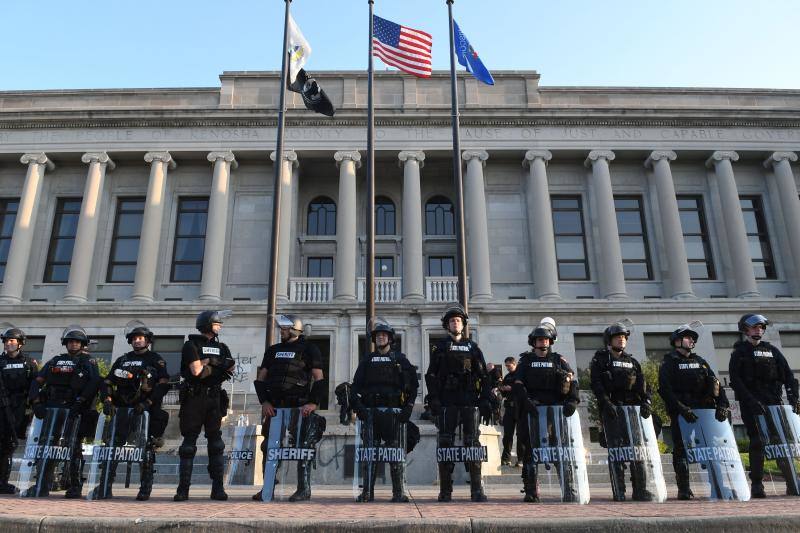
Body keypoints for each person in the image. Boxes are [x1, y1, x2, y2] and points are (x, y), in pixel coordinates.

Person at [253, 314, 326, 502]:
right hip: (275, 408)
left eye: (285, 328)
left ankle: (304, 489)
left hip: (299, 408)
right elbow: (261, 378)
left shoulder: (309, 349)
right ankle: (267, 488)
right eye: (281, 328)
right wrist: (265, 402)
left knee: (303, 447)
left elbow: (319, 378)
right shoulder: (273, 350)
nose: (281, 331)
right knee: (269, 447)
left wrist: (313, 403)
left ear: (295, 329)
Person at [425, 304, 492, 502]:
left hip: (469, 400)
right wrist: (434, 398)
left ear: (463, 325)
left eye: (458, 320)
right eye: (452, 320)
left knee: (472, 443)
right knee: (445, 442)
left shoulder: (473, 347)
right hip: (447, 401)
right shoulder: (440, 347)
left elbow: (484, 375)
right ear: (447, 325)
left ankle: (476, 490)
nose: (455, 323)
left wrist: (485, 399)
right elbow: (431, 375)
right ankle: (445, 490)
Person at [97, 322, 170, 500]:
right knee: (112, 446)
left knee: (145, 448)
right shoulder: (123, 360)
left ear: (148, 341)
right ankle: (105, 485)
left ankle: (145, 487)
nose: (137, 341)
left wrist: (148, 403)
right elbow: (107, 382)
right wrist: (107, 400)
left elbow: (163, 384)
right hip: (122, 409)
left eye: (141, 338)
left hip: (145, 410)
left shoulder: (155, 359)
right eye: (135, 338)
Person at [729, 313, 800, 498]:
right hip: (752, 406)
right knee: (758, 442)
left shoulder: (772, 350)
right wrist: (751, 401)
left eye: (761, 327)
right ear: (745, 330)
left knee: (782, 442)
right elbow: (736, 381)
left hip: (775, 404)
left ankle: (792, 482)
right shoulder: (739, 353)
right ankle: (757, 484)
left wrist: (794, 398)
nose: (758, 330)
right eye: (754, 327)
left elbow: (788, 376)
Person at [658, 323, 730, 500]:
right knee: (681, 449)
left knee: (710, 448)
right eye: (688, 337)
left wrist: (722, 405)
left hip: (704, 413)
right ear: (677, 341)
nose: (691, 340)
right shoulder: (668, 363)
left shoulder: (700, 362)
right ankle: (684, 488)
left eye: (692, 338)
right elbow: (665, 390)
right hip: (682, 414)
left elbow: (716, 384)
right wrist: (681, 409)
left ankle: (717, 485)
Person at [28, 326, 101, 498]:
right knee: (46, 446)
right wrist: (36, 402)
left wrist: (81, 402)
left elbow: (94, 383)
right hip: (52, 410)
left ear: (82, 344)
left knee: (73, 447)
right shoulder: (56, 360)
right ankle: (42, 484)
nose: (73, 344)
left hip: (75, 410)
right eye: (70, 342)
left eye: (77, 342)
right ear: (65, 343)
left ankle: (74, 485)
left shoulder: (88, 362)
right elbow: (37, 381)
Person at [350, 319, 418, 502]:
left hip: (394, 413)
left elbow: (413, 386)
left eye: (384, 335)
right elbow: (355, 387)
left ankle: (399, 492)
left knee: (395, 452)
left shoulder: (400, 360)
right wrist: (359, 408)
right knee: (370, 452)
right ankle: (367, 492)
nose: (380, 337)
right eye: (378, 335)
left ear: (390, 338)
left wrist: (409, 407)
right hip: (371, 413)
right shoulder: (367, 360)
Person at [514, 318, 579, 502]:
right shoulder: (526, 361)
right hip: (532, 412)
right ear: (533, 342)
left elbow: (572, 381)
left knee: (560, 450)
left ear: (550, 341)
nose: (543, 342)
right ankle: (531, 490)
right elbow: (517, 384)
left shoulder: (558, 360)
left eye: (546, 339)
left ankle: (568, 488)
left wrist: (573, 401)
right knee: (530, 451)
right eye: (540, 339)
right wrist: (526, 401)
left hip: (555, 414)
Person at [174, 310, 236, 502]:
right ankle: (183, 489)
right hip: (194, 398)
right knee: (188, 445)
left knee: (216, 444)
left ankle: (218, 488)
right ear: (207, 325)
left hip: (214, 398)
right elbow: (196, 371)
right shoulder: (191, 345)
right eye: (217, 324)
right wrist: (214, 363)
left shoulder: (222, 346)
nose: (219, 327)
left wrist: (208, 363)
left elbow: (232, 367)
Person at [590, 321, 654, 502]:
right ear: (609, 340)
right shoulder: (601, 360)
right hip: (613, 411)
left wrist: (646, 402)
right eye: (618, 337)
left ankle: (640, 489)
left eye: (624, 337)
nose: (622, 339)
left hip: (632, 412)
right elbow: (596, 384)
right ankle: (619, 491)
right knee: (617, 452)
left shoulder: (631, 361)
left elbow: (644, 385)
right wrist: (606, 403)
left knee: (637, 451)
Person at [0, 327, 38, 494]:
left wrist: (32, 407)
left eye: (12, 340)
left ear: (20, 343)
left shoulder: (29, 363)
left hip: (19, 408)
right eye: (6, 340)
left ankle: (3, 481)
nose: (8, 343)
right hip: (1, 407)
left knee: (10, 445)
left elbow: (35, 386)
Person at [499, 356, 523, 467]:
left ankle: (521, 459)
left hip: (519, 407)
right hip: (509, 407)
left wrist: (512, 388)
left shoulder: (520, 374)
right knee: (507, 435)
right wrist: (502, 388)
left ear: (514, 364)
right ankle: (506, 459)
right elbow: (504, 392)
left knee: (520, 434)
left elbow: (523, 389)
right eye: (506, 366)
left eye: (509, 366)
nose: (507, 368)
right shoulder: (507, 376)